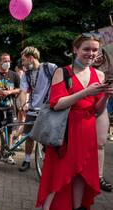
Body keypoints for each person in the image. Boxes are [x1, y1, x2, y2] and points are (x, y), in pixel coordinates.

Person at [36, 33, 113, 210]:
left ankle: (77, 207)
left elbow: (97, 110)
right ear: (75, 49)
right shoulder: (62, 72)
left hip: (87, 131)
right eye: (86, 49)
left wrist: (106, 97)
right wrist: (85, 92)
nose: (91, 53)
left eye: (95, 49)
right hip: (66, 132)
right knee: (58, 174)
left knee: (81, 174)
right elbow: (57, 104)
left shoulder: (99, 74)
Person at [18, 47, 58, 172]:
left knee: (46, 137)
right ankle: (27, 160)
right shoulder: (27, 74)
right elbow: (23, 91)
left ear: (31, 58)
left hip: (48, 109)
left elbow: (61, 80)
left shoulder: (49, 68)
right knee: (29, 136)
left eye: (24, 60)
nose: (23, 63)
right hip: (32, 109)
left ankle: (48, 162)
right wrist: (24, 103)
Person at [0, 53, 20, 164]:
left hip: (10, 107)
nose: (7, 63)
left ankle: (7, 154)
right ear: (0, 62)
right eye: (5, 61)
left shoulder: (14, 75)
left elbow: (20, 89)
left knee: (9, 131)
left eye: (8, 61)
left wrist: (10, 91)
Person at [92, 45, 113, 192]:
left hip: (102, 105)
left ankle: (98, 176)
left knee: (100, 143)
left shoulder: (107, 69)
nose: (98, 56)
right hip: (82, 106)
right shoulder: (81, 66)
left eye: (100, 54)